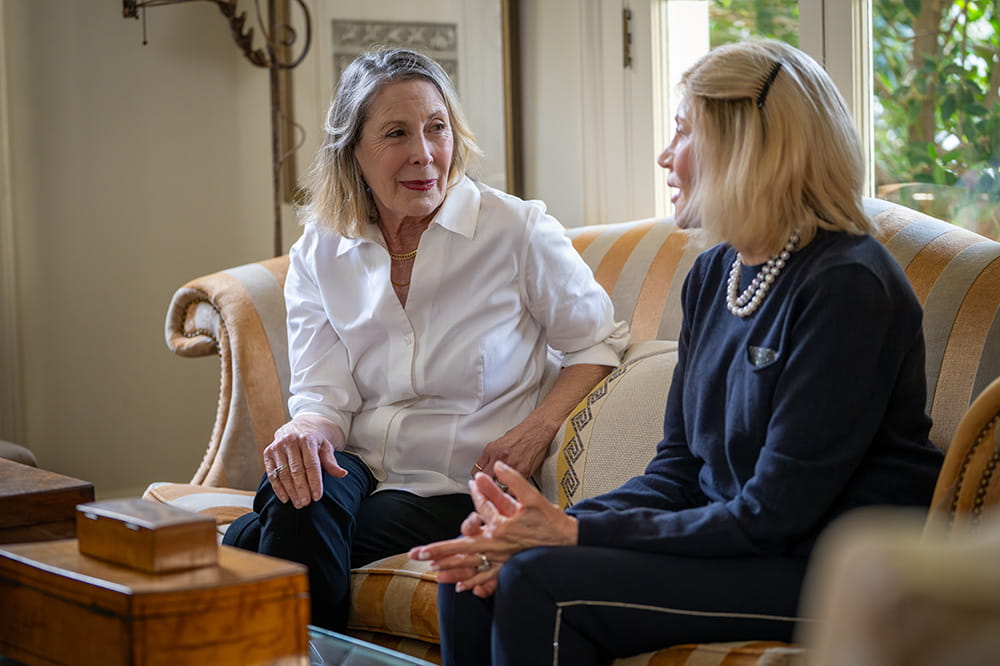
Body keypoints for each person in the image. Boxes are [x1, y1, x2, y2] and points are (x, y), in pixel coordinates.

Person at [410, 39, 945, 666]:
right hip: (743, 544)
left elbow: (775, 513)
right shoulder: (716, 274)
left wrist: (573, 532)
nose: (666, 154)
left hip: (834, 568)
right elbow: (678, 470)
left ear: (745, 145)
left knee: (536, 582)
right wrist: (527, 526)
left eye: (684, 131)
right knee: (474, 571)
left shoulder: (846, 284)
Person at [222, 47, 629, 631]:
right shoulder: (320, 249)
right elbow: (324, 399)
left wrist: (536, 429)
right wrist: (306, 432)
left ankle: (250, 552)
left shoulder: (514, 231)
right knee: (298, 490)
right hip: (357, 467)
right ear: (353, 151)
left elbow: (596, 344)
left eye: (436, 127)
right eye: (396, 133)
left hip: (454, 483)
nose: (424, 153)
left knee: (282, 528)